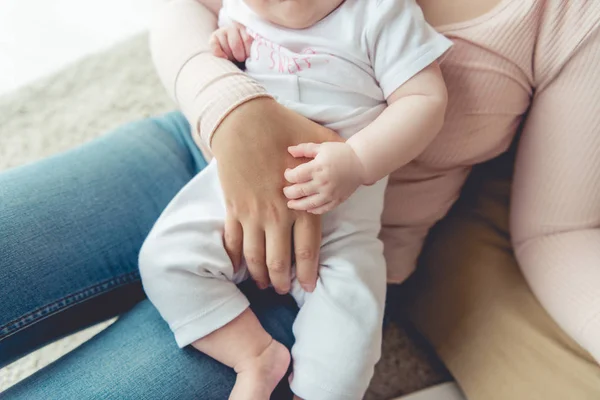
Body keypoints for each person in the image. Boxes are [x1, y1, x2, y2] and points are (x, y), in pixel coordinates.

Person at [1, 0, 599, 399]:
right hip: (199, 153)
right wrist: (229, 101)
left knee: (335, 366)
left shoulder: (393, 15)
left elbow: (558, 231)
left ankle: (261, 359)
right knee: (138, 261)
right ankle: (248, 352)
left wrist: (358, 162)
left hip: (317, 258)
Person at [139, 0, 449, 399]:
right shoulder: (241, 12)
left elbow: (424, 100)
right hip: (234, 201)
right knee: (165, 260)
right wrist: (225, 42)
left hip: (337, 236)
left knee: (349, 331)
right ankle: (254, 356)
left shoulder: (382, 13)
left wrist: (357, 160)